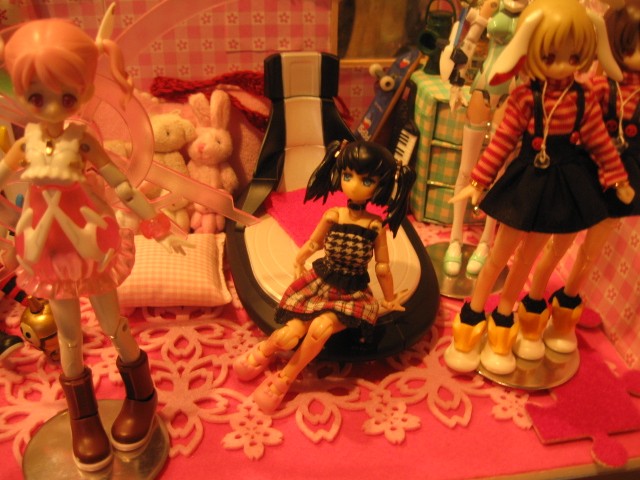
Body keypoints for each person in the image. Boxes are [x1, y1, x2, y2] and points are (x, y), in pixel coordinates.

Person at [0, 11, 188, 471]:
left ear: (84, 92)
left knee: (113, 323)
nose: (50, 108)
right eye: (36, 96)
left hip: (90, 241)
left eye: (65, 96)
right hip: (48, 248)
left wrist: (156, 224)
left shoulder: (82, 139)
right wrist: (10, 223)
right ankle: (83, 417)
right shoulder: (23, 146)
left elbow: (121, 184)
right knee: (68, 335)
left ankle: (142, 395)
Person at [444, 0, 635, 375]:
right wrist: (479, 181)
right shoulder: (523, 97)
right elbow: (501, 142)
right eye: (551, 56)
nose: (563, 65)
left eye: (574, 56)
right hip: (528, 181)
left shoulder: (584, 98)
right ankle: (472, 317)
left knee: (527, 260)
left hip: (564, 184)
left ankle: (504, 320)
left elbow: (599, 142)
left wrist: (617, 179)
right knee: (499, 255)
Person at [234, 140, 414, 413]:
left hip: (351, 292)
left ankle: (285, 378)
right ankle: (265, 351)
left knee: (320, 328)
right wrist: (299, 259)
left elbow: (382, 267)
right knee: (290, 333)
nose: (354, 185)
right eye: (348, 176)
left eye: (366, 181)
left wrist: (388, 299)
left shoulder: (375, 226)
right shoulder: (333, 215)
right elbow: (313, 243)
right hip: (321, 282)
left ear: (381, 185)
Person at [519, 0, 640, 359]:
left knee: (591, 252)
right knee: (558, 244)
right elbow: (586, 127)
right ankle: (534, 305)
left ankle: (565, 312)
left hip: (625, 179)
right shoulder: (600, 88)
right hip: (585, 175)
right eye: (632, 47)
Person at [442, 0, 529, 277]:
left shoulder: (536, 10)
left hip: (514, 92)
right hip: (483, 85)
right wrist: (456, 82)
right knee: (466, 168)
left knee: (499, 173)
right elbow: (468, 44)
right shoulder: (493, 4)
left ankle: (485, 242)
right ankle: (455, 238)